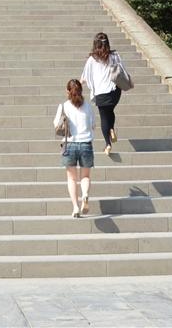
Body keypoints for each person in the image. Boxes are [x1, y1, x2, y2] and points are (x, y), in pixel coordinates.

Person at [80, 32, 130, 156]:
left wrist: (78, 84)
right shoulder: (115, 55)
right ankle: (112, 129)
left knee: (104, 117)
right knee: (110, 111)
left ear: (95, 44)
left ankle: (108, 144)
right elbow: (122, 70)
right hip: (114, 90)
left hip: (100, 92)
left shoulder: (92, 59)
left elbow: (85, 77)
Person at [54, 79, 95, 218]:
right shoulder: (88, 106)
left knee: (71, 178)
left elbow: (56, 125)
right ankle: (85, 194)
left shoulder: (64, 106)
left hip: (69, 144)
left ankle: (75, 207)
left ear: (67, 92)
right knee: (85, 176)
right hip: (86, 144)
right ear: (81, 92)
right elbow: (93, 124)